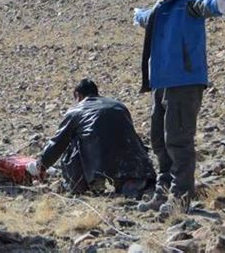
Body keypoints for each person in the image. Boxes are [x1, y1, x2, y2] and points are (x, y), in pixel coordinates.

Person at [133, 0, 225, 213]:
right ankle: (163, 193)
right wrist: (139, 16)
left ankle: (180, 199)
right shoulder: (163, 3)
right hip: (162, 81)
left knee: (178, 140)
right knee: (159, 140)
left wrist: (216, 4)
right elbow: (150, 18)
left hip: (184, 81)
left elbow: (204, 3)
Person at [26, 79, 156, 196]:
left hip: (100, 165)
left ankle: (89, 182)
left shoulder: (76, 111)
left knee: (74, 140)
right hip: (136, 164)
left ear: (78, 95)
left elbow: (58, 143)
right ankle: (131, 180)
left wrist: (40, 166)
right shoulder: (118, 106)